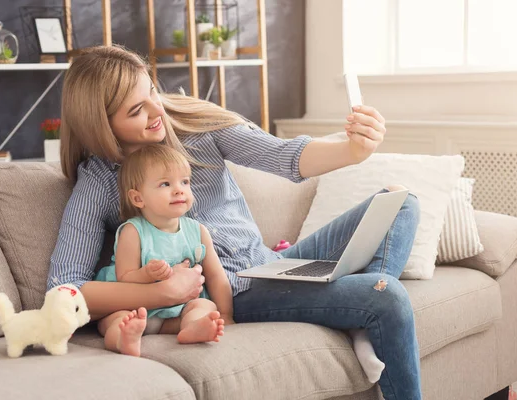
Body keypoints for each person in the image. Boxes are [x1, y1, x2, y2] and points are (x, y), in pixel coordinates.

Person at [48, 45, 422, 400]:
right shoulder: (99, 181)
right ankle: (365, 312)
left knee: (401, 202)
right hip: (235, 292)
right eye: (135, 111)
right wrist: (160, 294)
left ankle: (359, 322)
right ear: (103, 126)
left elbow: (282, 155)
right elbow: (64, 288)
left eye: (151, 92)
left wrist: (352, 151)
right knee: (384, 295)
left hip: (272, 265)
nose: (156, 110)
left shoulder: (194, 126)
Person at [94, 144, 228, 357]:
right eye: (165, 184)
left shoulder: (198, 231)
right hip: (136, 309)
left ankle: (192, 328)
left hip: (176, 313)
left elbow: (216, 277)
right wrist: (146, 274)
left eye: (185, 181)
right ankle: (123, 338)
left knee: (204, 305)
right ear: (138, 198)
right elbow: (124, 277)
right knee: (113, 320)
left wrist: (227, 315)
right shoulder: (133, 231)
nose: (179, 189)